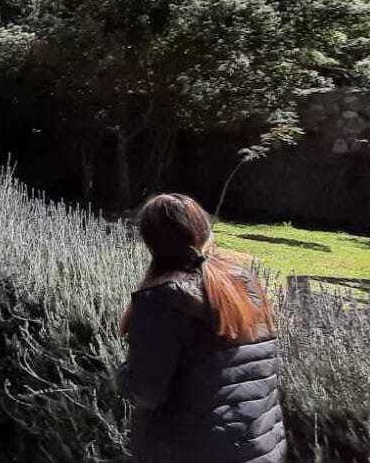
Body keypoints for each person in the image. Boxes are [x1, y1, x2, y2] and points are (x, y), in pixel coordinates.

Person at [115, 193, 285, 463]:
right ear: (205, 230)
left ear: (150, 243)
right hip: (261, 450)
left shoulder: (159, 300)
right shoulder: (245, 283)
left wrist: (122, 373)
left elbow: (147, 392)